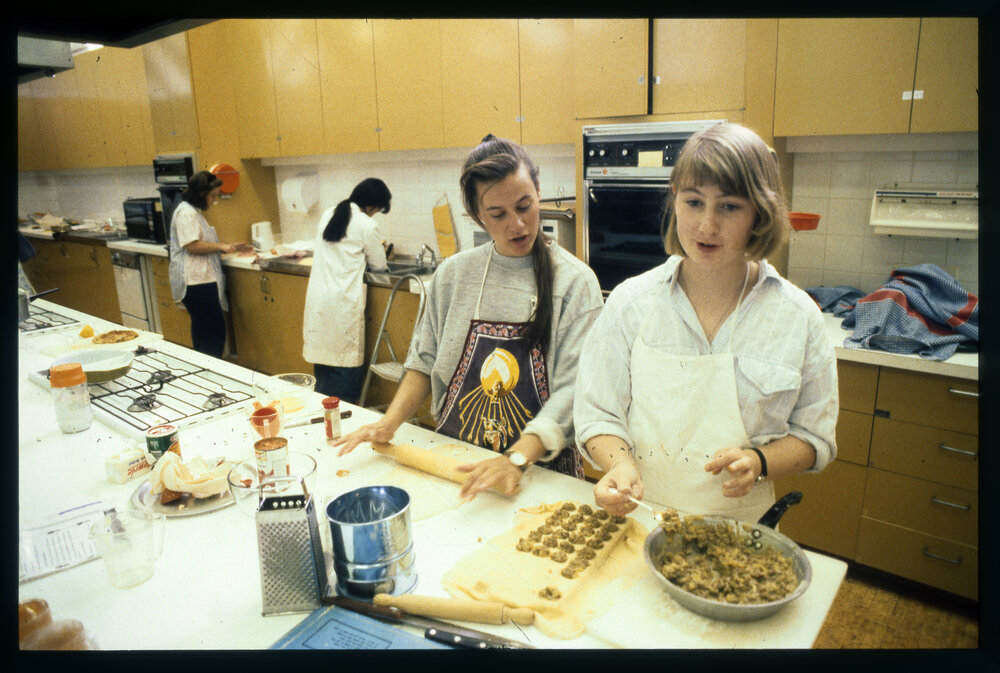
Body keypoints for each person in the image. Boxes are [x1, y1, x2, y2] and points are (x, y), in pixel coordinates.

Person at [574, 122, 838, 523]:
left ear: (759, 214)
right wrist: (619, 465)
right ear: (675, 200)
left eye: (729, 207)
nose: (706, 226)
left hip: (742, 536)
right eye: (694, 202)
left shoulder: (797, 317)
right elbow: (598, 414)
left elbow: (814, 438)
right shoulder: (631, 303)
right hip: (639, 522)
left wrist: (760, 461)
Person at [333, 135, 604, 501]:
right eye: (498, 214)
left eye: (525, 206)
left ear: (538, 191)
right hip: (457, 466)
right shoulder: (454, 274)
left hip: (538, 475)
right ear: (477, 214)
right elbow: (424, 361)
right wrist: (388, 423)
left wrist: (516, 457)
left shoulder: (574, 282)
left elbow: (574, 392)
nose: (518, 225)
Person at [302, 178, 391, 403]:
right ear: (371, 206)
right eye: (377, 211)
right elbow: (379, 266)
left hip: (320, 301)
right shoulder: (366, 224)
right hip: (342, 303)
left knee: (323, 374)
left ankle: (326, 426)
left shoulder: (330, 213)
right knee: (344, 373)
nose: (374, 215)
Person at [168, 170, 251, 358]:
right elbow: (192, 245)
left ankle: (206, 373)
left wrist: (228, 247)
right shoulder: (186, 213)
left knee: (208, 332)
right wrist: (221, 246)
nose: (215, 200)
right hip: (195, 282)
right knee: (211, 333)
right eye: (213, 196)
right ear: (201, 194)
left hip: (200, 281)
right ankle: (208, 376)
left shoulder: (192, 212)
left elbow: (201, 243)